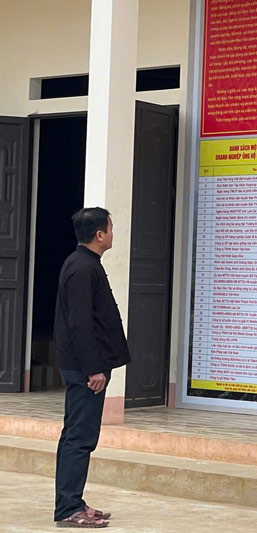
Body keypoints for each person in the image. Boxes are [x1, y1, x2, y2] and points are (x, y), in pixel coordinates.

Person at [54, 207, 131, 528]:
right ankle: (69, 509)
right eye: (111, 228)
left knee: (76, 434)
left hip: (83, 365)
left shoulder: (83, 264)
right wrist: (93, 369)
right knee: (80, 438)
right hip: (85, 369)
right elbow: (80, 323)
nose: (113, 233)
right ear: (100, 235)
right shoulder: (83, 268)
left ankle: (73, 501)